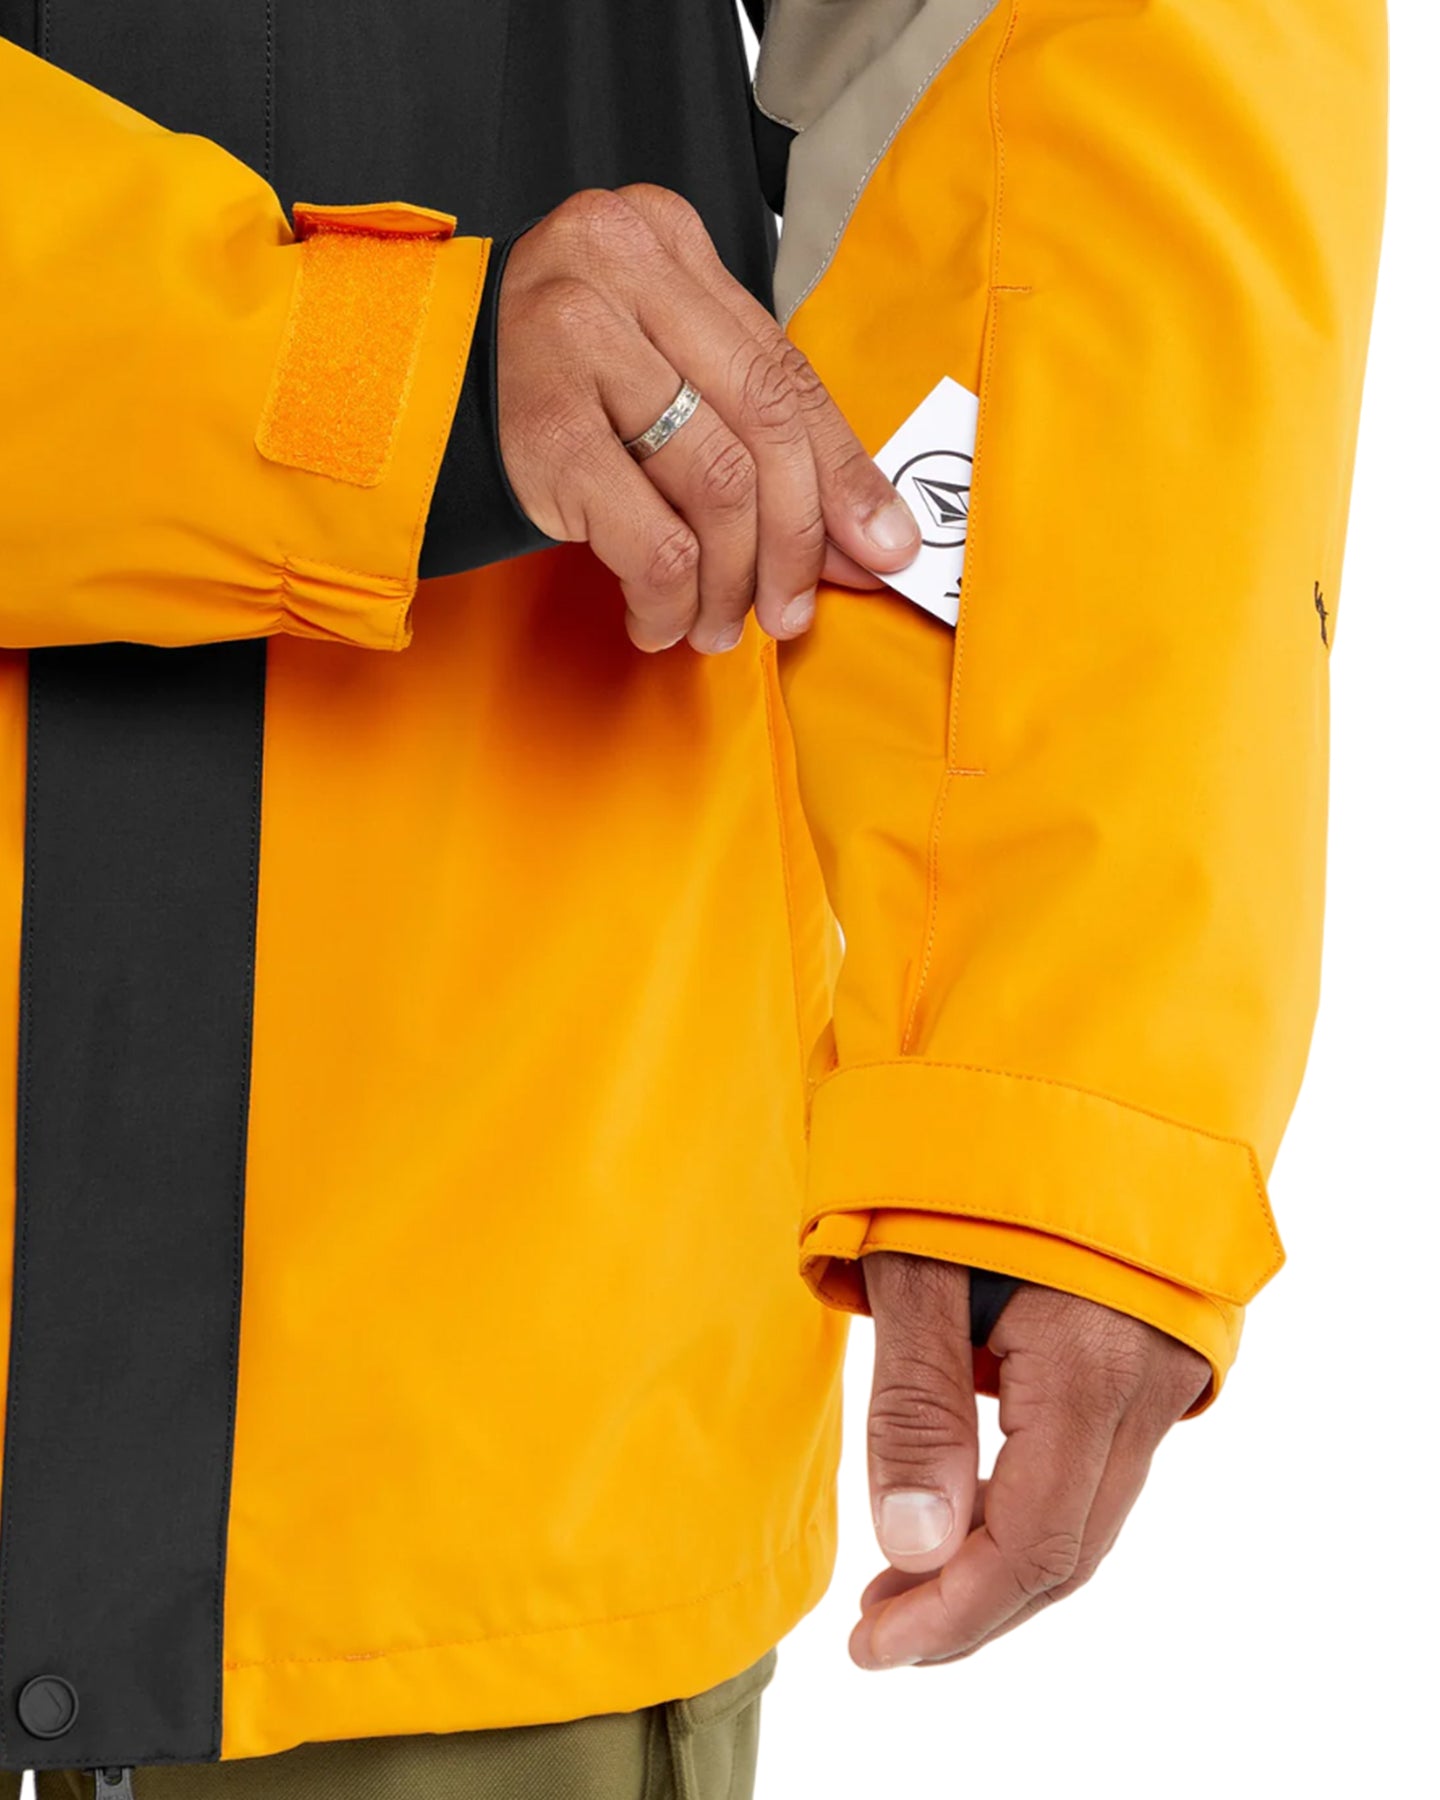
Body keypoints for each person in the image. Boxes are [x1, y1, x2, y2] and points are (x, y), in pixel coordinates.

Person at [0, 1, 1386, 1795]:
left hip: (483, 1426)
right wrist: (357, 374)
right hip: (507, 1402)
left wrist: (1053, 1070)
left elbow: (1071, 64)